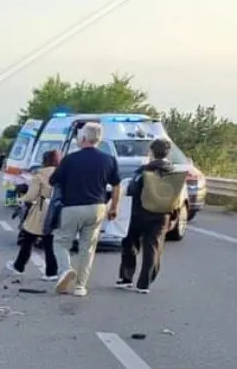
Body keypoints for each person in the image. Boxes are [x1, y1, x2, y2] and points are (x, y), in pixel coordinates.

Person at [48, 122, 121, 296]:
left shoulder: (70, 159)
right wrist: (114, 208)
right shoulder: (109, 160)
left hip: (71, 207)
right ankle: (81, 286)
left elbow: (53, 180)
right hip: (97, 207)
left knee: (60, 241)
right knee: (87, 248)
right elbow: (117, 186)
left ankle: (65, 270)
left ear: (82, 138)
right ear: (99, 139)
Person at [117, 138, 186, 294]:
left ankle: (126, 278)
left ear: (152, 152)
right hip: (162, 215)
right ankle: (144, 283)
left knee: (130, 244)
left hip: (139, 213)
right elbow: (177, 196)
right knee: (153, 248)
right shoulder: (174, 173)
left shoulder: (144, 170)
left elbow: (133, 189)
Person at [7, 149, 59, 280]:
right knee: (49, 241)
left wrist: (21, 199)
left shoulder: (39, 176)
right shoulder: (62, 173)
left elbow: (31, 196)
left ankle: (19, 266)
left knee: (29, 238)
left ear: (44, 161)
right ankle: (52, 272)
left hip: (41, 209)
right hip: (56, 209)